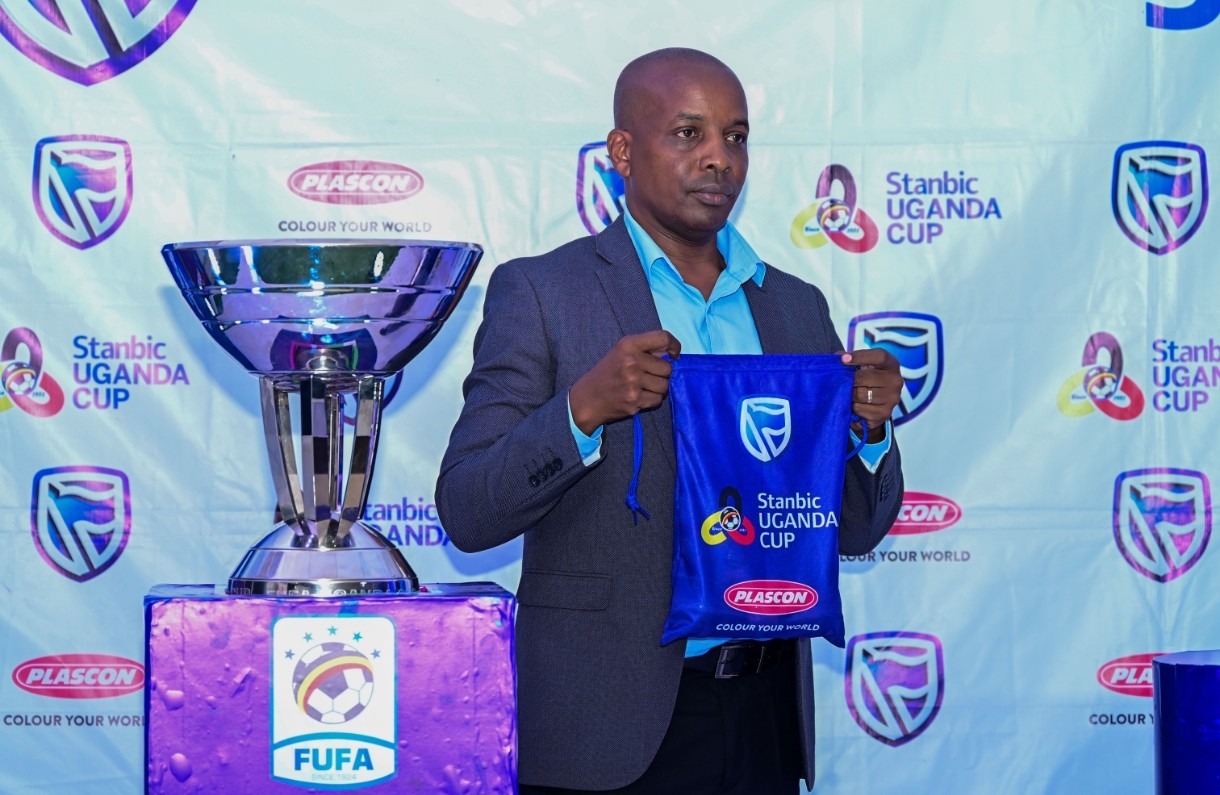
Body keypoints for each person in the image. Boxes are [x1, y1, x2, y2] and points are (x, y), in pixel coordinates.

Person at [436, 47, 904, 795]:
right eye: (689, 134)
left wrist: (870, 435)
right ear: (622, 152)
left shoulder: (795, 307)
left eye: (736, 137)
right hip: (606, 729)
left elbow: (854, 529)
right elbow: (467, 510)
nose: (719, 158)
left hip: (765, 718)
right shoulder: (543, 293)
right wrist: (582, 410)